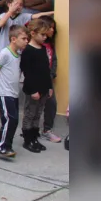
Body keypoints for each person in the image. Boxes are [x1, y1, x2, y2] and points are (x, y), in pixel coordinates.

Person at [0, 25, 29, 158]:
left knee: (14, 120)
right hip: (4, 92)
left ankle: (7, 144)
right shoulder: (4, 53)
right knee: (9, 119)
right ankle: (1, 146)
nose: (26, 41)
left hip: (13, 93)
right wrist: (0, 88)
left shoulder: (18, 55)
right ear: (13, 39)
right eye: (23, 38)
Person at [20, 19, 54, 153]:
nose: (45, 37)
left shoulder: (43, 49)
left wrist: (49, 87)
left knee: (38, 114)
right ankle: (27, 140)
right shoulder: (28, 50)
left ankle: (34, 138)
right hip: (33, 89)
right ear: (33, 33)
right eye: (43, 35)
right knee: (30, 113)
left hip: (44, 87)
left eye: (46, 35)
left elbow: (46, 69)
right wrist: (33, 90)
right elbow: (27, 72)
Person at [38, 15, 62, 143]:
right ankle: (30, 131)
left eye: (53, 28)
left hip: (48, 79)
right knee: (33, 106)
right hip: (36, 79)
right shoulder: (35, 44)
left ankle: (47, 130)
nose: (52, 30)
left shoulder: (50, 45)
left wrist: (51, 76)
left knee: (51, 103)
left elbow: (54, 61)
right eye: (50, 28)